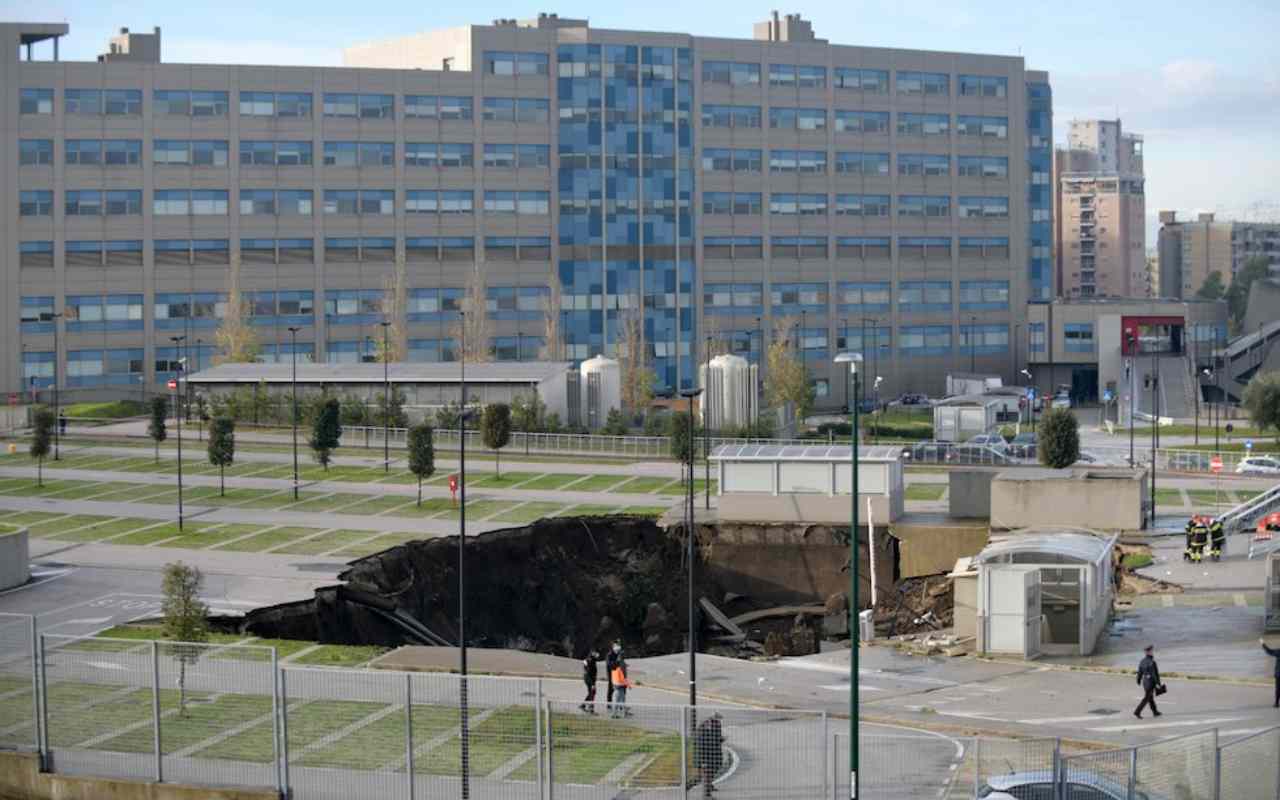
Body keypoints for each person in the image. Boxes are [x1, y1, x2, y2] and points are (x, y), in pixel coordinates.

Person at [694, 712, 725, 796]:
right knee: (702, 776)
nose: (719, 721)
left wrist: (721, 739)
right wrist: (702, 759)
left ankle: (708, 787)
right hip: (705, 754)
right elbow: (702, 742)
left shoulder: (716, 725)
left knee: (713, 770)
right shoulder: (704, 727)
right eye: (716, 719)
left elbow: (715, 737)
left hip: (714, 754)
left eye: (719, 720)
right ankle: (706, 793)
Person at [1134, 644, 1163, 719]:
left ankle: (1155, 712)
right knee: (1146, 698)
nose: (1152, 652)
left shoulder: (1142, 661)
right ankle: (1137, 712)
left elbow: (1140, 672)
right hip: (1151, 683)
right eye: (1151, 651)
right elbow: (1155, 674)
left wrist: (1138, 680)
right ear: (1148, 652)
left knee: (1150, 697)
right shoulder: (1152, 662)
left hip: (1145, 682)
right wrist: (1158, 684)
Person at [610, 654, 632, 718]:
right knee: (618, 700)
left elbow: (614, 679)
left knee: (622, 699)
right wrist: (628, 685)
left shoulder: (613, 670)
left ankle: (625, 712)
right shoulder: (619, 670)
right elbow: (623, 679)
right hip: (620, 686)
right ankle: (614, 714)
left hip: (616, 686)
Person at [1262, 638, 1280, 708]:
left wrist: (1262, 643)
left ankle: (1276, 703)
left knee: (1278, 689)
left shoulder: (1278, 651)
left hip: (1278, 674)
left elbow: (1269, 651)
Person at [605, 641, 621, 712]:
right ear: (613, 646)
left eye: (618, 645)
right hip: (611, 674)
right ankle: (609, 705)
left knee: (620, 690)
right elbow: (609, 664)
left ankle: (621, 705)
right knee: (611, 690)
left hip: (617, 674)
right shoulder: (609, 654)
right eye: (616, 646)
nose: (618, 647)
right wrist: (617, 662)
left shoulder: (618, 654)